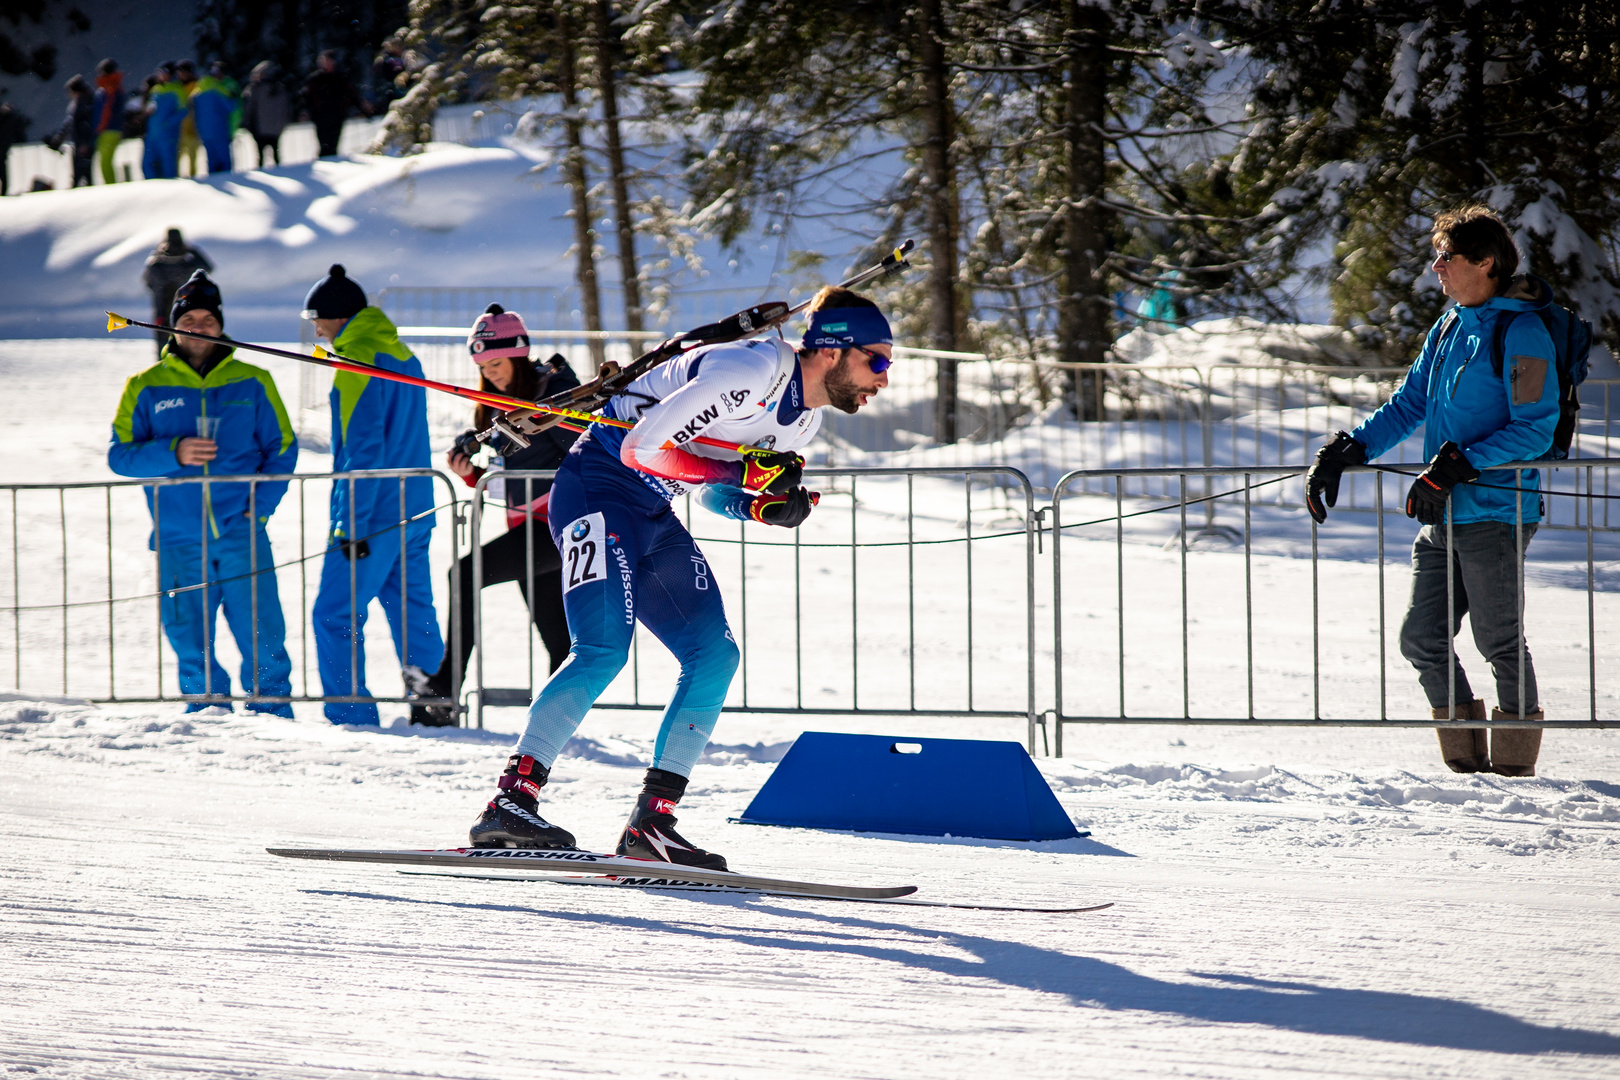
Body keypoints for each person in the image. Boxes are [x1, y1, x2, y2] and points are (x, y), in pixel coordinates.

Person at [468, 286, 894, 867]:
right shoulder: (752, 368)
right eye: (878, 359)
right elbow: (643, 450)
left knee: (714, 655)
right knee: (602, 651)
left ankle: (652, 823)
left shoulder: (803, 424)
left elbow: (712, 490)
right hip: (597, 487)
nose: (885, 377)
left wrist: (759, 505)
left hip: (652, 511)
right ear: (832, 351)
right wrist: (745, 468)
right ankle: (509, 803)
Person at [1305, 205, 1559, 777]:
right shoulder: (1448, 327)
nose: (1437, 268)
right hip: (1443, 512)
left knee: (1499, 643)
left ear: (1485, 262)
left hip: (1496, 510)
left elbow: (1535, 426)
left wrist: (1456, 465)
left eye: (1448, 257)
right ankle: (1466, 766)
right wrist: (1349, 450)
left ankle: (1515, 768)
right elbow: (1409, 405)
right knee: (1421, 639)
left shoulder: (1521, 330)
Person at [108, 271, 299, 715]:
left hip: (242, 532)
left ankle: (274, 716)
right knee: (188, 638)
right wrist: (174, 452)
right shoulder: (145, 384)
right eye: (188, 317)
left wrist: (261, 510)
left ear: (220, 324)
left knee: (263, 634)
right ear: (173, 324)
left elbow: (282, 447)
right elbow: (120, 456)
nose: (197, 326)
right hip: (177, 537)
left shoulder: (253, 379)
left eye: (207, 319)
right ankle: (206, 717)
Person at [415, 305, 582, 725]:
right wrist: (473, 473)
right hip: (526, 525)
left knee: (464, 574)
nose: (492, 373)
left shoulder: (553, 393)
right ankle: (556, 721)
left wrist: (547, 419)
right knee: (558, 641)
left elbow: (583, 455)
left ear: (520, 354)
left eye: (498, 363)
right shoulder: (496, 404)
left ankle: (445, 686)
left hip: (556, 529)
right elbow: (509, 474)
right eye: (484, 367)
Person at [303, 264, 444, 725]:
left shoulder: (356, 359)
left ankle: (351, 716)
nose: (317, 330)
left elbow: (364, 452)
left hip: (373, 512)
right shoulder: (402, 354)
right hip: (416, 505)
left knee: (334, 613)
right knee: (413, 610)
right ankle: (435, 708)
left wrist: (351, 524)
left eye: (318, 320)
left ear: (337, 318)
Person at [142, 228, 213, 354]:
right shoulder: (188, 264)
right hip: (186, 315)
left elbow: (147, 281)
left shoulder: (156, 265)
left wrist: (158, 252)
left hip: (161, 315)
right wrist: (192, 250)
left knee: (163, 349)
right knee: (186, 350)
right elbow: (208, 268)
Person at [300, 50, 369, 159]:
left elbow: (351, 95)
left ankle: (332, 162)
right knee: (323, 142)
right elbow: (305, 97)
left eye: (328, 60)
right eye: (323, 60)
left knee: (333, 143)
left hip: (337, 115)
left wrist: (363, 109)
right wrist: (305, 111)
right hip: (320, 116)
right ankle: (324, 162)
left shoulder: (341, 78)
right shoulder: (315, 79)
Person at [190, 62, 237, 174]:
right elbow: (231, 107)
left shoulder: (198, 91)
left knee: (212, 160)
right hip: (219, 128)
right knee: (225, 160)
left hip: (204, 131)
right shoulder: (219, 89)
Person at [241, 61, 289, 168]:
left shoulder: (255, 89)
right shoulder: (279, 88)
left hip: (260, 130)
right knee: (276, 155)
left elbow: (249, 108)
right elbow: (285, 109)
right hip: (275, 130)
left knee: (260, 157)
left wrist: (247, 123)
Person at [51, 75, 95, 188]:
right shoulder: (84, 102)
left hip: (82, 144)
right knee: (84, 174)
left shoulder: (83, 104)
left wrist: (84, 142)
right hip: (80, 142)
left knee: (81, 173)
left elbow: (83, 124)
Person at [142, 64, 185, 180]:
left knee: (168, 163)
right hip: (152, 133)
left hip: (167, 134)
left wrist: (169, 122)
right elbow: (151, 107)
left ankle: (169, 189)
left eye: (163, 72)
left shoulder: (178, 90)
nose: (160, 76)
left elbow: (184, 110)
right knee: (147, 163)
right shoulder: (156, 89)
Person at [92, 59, 125, 185]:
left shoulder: (109, 88)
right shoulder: (115, 87)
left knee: (105, 162)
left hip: (108, 130)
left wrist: (99, 128)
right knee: (106, 161)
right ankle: (111, 185)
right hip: (113, 129)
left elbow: (106, 111)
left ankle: (111, 186)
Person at [174, 60, 203, 177]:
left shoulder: (197, 87)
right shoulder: (177, 88)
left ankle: (192, 182)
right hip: (179, 130)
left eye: (182, 72)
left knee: (192, 159)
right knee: (176, 159)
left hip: (193, 129)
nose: (180, 74)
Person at [0, 96, 30, 196]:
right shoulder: (11, 119)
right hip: (4, 148)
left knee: (2, 171)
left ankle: (4, 192)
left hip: (3, 147)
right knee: (3, 172)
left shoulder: (4, 119)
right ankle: (4, 191)